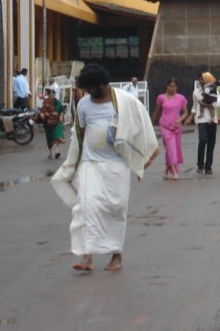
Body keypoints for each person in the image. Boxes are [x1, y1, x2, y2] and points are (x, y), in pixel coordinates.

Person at [51, 63, 158, 273]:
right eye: (86, 89)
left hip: (116, 167)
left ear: (102, 83)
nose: (89, 92)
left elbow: (142, 125)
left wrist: (138, 160)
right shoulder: (83, 105)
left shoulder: (124, 102)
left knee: (115, 211)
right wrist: (73, 164)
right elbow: (79, 135)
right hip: (90, 165)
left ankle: (116, 256)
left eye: (92, 88)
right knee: (86, 208)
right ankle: (87, 257)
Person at [151, 78, 188, 179]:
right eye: (170, 86)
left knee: (172, 148)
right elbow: (157, 111)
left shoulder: (181, 98)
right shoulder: (161, 98)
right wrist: (151, 122)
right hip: (165, 125)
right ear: (167, 86)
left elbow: (185, 113)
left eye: (174, 86)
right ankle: (174, 171)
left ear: (177, 87)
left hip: (176, 126)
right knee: (170, 146)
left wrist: (179, 120)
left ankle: (167, 169)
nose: (172, 88)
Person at [192, 72, 219, 175]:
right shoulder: (196, 92)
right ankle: (200, 164)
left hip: (213, 119)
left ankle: (208, 166)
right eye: (199, 79)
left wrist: (205, 103)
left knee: (211, 143)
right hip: (201, 120)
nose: (201, 81)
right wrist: (191, 116)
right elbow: (194, 106)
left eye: (202, 79)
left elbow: (217, 103)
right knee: (202, 140)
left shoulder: (214, 90)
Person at [39, 86, 65, 160]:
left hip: (56, 122)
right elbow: (42, 110)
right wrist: (42, 114)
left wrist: (61, 117)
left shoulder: (57, 102)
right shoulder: (45, 102)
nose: (52, 96)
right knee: (49, 138)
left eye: (53, 95)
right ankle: (50, 152)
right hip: (47, 123)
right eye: (50, 95)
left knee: (57, 136)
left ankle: (57, 151)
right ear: (48, 95)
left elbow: (61, 111)